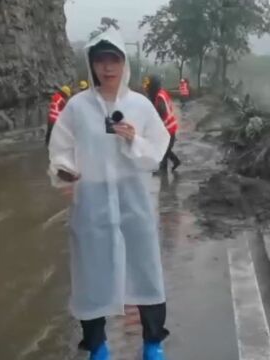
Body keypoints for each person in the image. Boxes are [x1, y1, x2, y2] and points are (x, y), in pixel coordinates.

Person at [48, 28, 171, 360]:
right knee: (92, 276)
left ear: (123, 63)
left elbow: (158, 150)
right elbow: (60, 149)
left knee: (146, 272)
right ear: (92, 65)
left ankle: (153, 343)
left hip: (134, 200)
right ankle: (98, 346)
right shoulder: (77, 107)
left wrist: (133, 140)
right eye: (100, 60)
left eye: (113, 59)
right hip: (92, 203)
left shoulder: (140, 106)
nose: (107, 67)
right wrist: (63, 169)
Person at [146, 75, 181, 173]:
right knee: (165, 149)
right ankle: (174, 162)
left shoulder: (159, 97)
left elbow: (162, 113)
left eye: (150, 86)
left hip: (168, 129)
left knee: (164, 150)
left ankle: (163, 171)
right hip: (170, 128)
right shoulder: (162, 93)